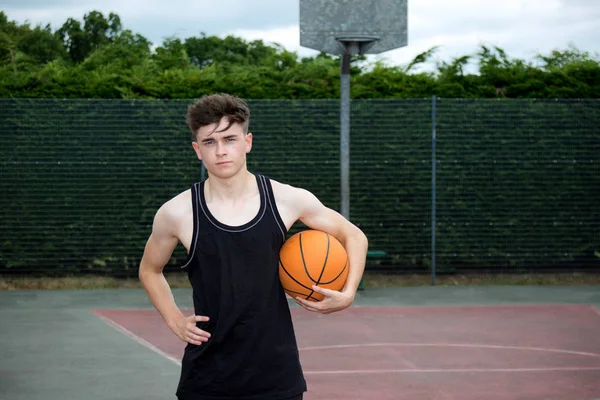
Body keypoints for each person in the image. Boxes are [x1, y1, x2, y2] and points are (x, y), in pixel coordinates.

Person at [138, 93, 369, 400]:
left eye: (230, 139)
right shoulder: (177, 213)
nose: (221, 151)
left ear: (247, 142)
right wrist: (176, 320)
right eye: (209, 142)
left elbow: (354, 235)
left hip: (276, 374)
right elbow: (150, 270)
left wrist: (348, 293)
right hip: (208, 377)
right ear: (197, 150)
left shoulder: (286, 199)